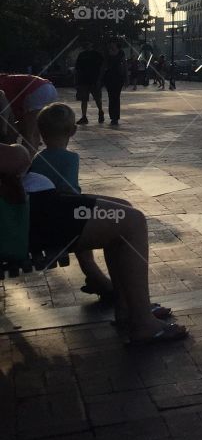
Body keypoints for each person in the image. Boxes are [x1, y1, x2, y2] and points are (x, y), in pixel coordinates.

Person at [0, 138, 186, 345]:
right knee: (131, 221)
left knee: (122, 207)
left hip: (31, 206)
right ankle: (143, 323)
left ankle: (127, 307)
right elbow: (15, 159)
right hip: (24, 218)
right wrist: (19, 148)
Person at [30, 102, 115, 297]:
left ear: (41, 132)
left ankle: (95, 278)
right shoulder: (71, 158)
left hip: (42, 216)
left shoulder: (38, 158)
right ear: (73, 131)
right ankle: (100, 281)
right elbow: (69, 191)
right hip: (60, 215)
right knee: (87, 240)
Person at [0, 72, 59, 152]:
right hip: (48, 87)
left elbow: (8, 112)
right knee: (33, 130)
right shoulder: (7, 79)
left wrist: (7, 131)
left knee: (29, 133)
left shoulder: (3, 86)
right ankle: (30, 155)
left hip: (36, 92)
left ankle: (28, 159)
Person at [74, 43, 105, 125]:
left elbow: (102, 66)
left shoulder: (97, 54)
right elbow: (77, 69)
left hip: (94, 80)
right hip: (83, 80)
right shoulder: (82, 55)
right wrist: (77, 81)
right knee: (84, 99)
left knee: (97, 98)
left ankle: (100, 111)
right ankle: (84, 116)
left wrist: (99, 79)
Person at [102, 41, 127, 127]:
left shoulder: (121, 52)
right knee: (111, 97)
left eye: (113, 43)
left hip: (118, 77)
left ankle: (115, 117)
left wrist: (126, 76)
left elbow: (124, 64)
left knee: (116, 97)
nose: (111, 44)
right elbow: (104, 65)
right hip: (109, 77)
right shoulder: (107, 53)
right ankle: (112, 116)